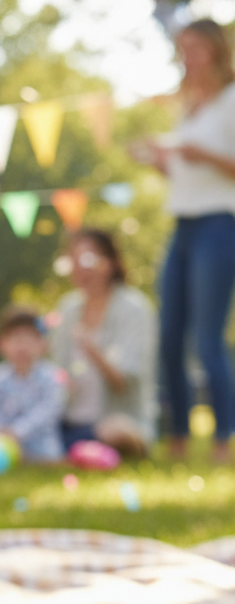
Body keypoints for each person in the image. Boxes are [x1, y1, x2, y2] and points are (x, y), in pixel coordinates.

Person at [141, 18, 235, 461]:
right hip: (181, 224)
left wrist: (204, 155)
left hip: (219, 224)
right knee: (169, 335)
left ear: (215, 50)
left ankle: (223, 439)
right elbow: (184, 174)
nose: (187, 57)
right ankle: (177, 437)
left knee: (206, 338)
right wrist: (161, 162)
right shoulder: (189, 106)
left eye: (195, 47)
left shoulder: (230, 100)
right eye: (183, 48)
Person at [51, 229, 157, 456]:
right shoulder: (68, 308)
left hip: (113, 422)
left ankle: (81, 448)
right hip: (70, 420)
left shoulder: (134, 308)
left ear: (111, 263)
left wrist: (92, 350)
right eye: (73, 260)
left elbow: (125, 382)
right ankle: (77, 448)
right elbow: (58, 373)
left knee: (116, 432)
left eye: (88, 259)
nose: (81, 268)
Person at [0, 306, 66, 463]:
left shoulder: (51, 377)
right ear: (1, 344)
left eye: (29, 338)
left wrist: (16, 431)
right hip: (0, 443)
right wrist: (0, 432)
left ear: (42, 343)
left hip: (42, 447)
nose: (22, 346)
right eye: (15, 339)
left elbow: (49, 410)